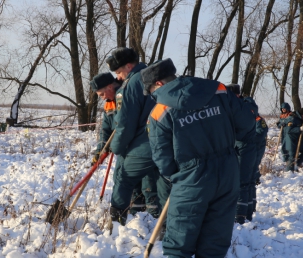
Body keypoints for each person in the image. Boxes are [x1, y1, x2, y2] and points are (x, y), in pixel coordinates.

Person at [142, 59, 255, 258]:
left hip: (191, 180)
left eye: (151, 91)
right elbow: (246, 122)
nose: (153, 96)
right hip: (228, 172)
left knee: (178, 245)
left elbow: (163, 159)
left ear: (158, 84)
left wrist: (180, 177)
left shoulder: (159, 113)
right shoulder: (218, 90)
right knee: (214, 245)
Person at [105, 47, 170, 228]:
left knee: (123, 178)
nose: (117, 77)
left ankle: (116, 223)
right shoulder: (155, 76)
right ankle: (165, 225)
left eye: (118, 72)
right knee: (164, 183)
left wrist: (117, 147)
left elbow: (126, 124)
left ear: (128, 66)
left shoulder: (131, 84)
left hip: (145, 142)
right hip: (168, 143)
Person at [90, 72, 158, 217]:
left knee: (149, 184)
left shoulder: (128, 94)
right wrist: (100, 149)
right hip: (125, 149)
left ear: (109, 86)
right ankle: (134, 214)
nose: (102, 98)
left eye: (102, 94)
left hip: (142, 145)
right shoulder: (109, 104)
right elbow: (106, 130)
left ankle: (154, 219)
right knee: (127, 184)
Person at [226, 84, 257, 225]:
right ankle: (248, 213)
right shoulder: (243, 106)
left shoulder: (244, 108)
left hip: (245, 148)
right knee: (247, 182)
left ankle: (240, 216)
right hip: (243, 147)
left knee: (243, 183)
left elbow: (240, 130)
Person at [248, 107, 268, 221]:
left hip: (257, 147)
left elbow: (261, 133)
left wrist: (249, 138)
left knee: (253, 168)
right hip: (250, 148)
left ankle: (257, 178)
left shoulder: (259, 120)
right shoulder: (246, 119)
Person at [285, 107, 303, 172]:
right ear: (301, 114)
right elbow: (289, 130)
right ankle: (289, 172)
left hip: (299, 140)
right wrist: (298, 129)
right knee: (292, 156)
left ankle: (295, 165)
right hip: (291, 140)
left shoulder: (301, 119)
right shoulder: (292, 119)